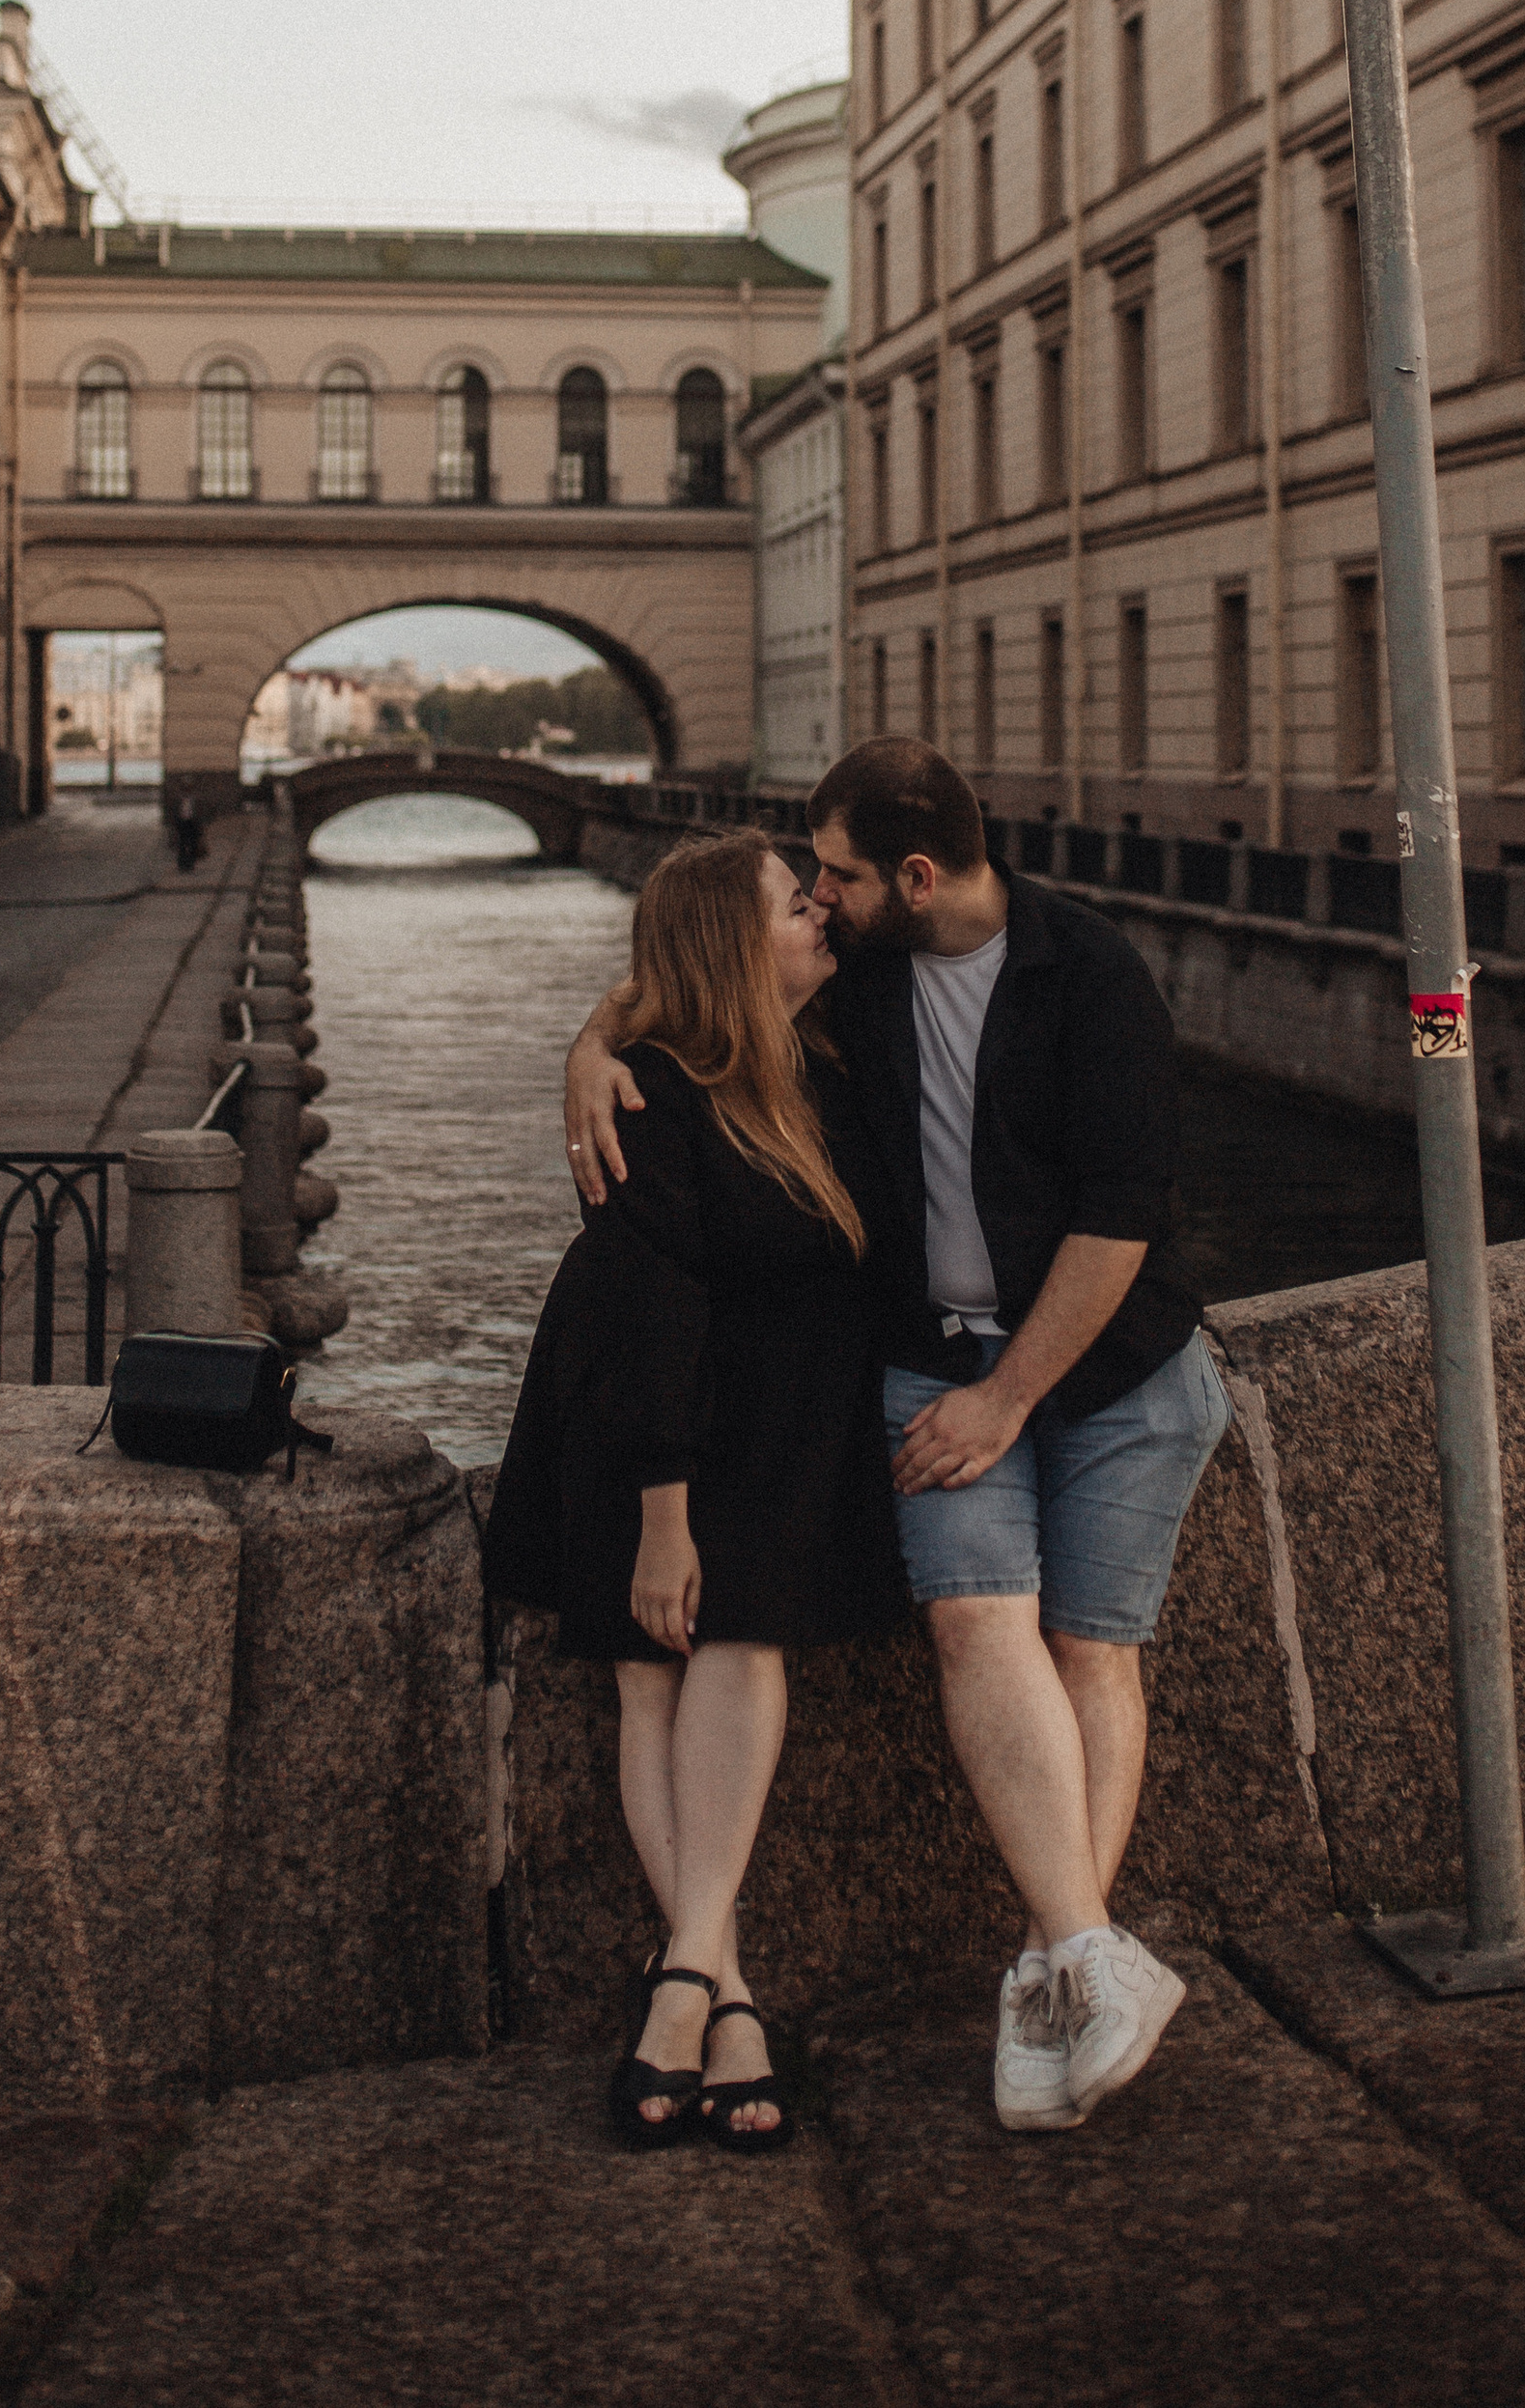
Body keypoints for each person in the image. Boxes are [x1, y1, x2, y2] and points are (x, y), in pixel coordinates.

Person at [566, 736, 1228, 2136]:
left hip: (1112, 1368)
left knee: (1093, 1650)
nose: (820, 893)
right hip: (933, 1367)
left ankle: (1062, 1969)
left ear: (915, 878)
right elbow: (693, 980)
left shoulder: (1092, 975)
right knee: (976, 1626)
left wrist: (1008, 1402)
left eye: (841, 873)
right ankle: (1090, 1970)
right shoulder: (855, 967)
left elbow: (1121, 1221)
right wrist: (591, 1044)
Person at [486, 826, 908, 2153]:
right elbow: (650, 1304)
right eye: (797, 907)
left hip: (782, 1422)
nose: (823, 919)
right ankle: (721, 1994)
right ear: (738, 943)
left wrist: (588, 1028)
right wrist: (663, 1521)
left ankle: (695, 1985)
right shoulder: (651, 1094)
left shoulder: (834, 1054)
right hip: (638, 1412)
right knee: (648, 1665)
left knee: (739, 1642)